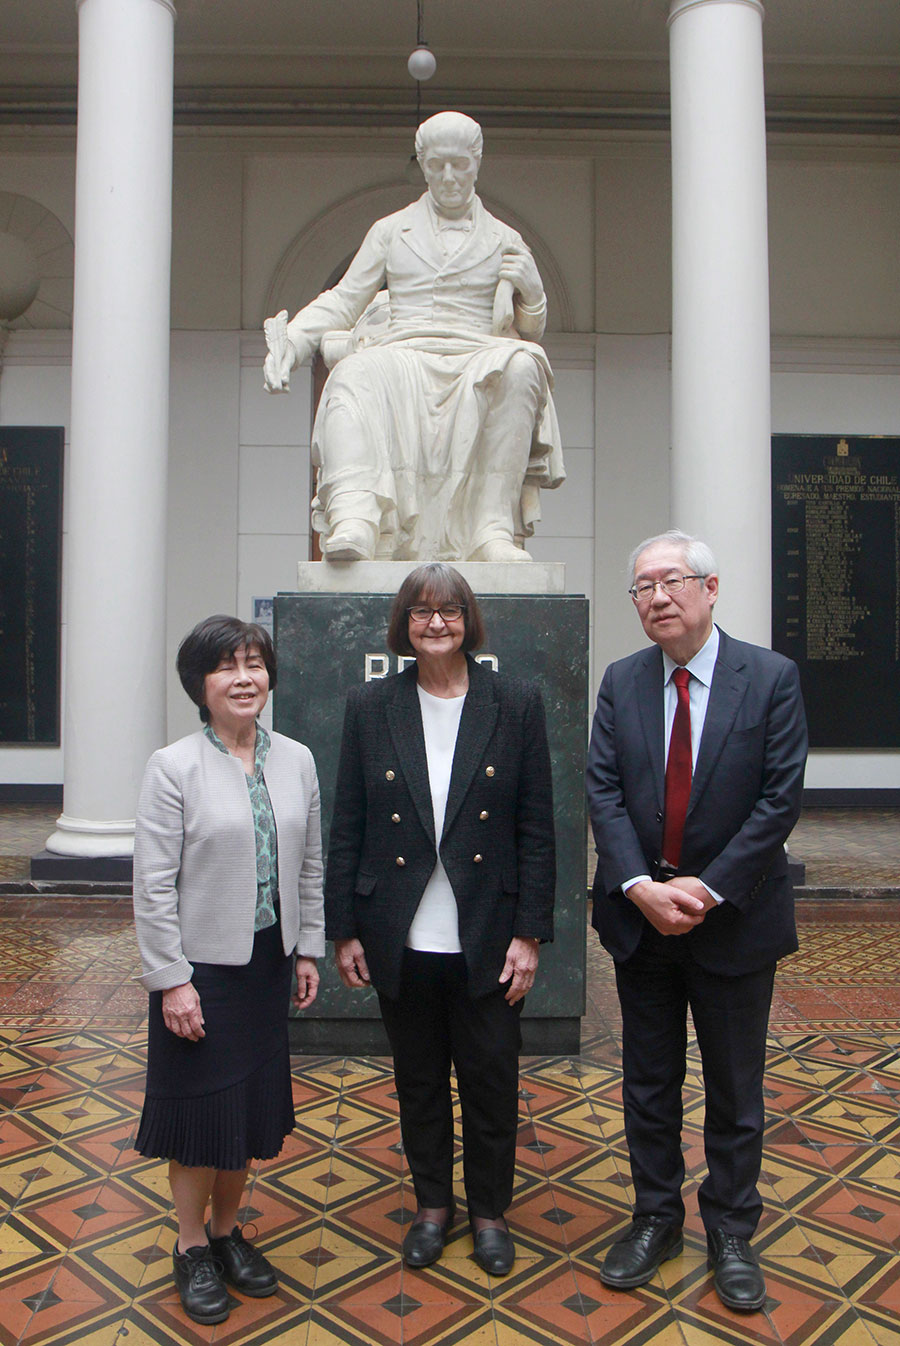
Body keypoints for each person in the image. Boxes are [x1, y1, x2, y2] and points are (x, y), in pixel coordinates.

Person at [585, 530, 807, 1313]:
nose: (657, 598)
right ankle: (654, 1217)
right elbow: (603, 793)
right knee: (647, 1083)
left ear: (711, 590)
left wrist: (706, 892)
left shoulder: (771, 678)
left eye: (671, 581)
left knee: (735, 1087)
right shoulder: (622, 682)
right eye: (642, 587)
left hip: (734, 922)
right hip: (642, 921)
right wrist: (641, 885)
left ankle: (733, 1230)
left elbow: (779, 800)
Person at [325, 563, 555, 1274]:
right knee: (418, 1080)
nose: (435, 623)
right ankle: (432, 1207)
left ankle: (488, 1214)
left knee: (490, 1081)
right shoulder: (371, 706)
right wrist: (344, 929)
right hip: (399, 931)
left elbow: (537, 828)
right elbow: (349, 826)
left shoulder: (515, 702)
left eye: (450, 610)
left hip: (486, 933)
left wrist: (529, 933)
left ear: (468, 620)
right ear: (404, 624)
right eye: (421, 612)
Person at [132, 616, 324, 1325]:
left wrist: (307, 947)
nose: (244, 678)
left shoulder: (296, 759)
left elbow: (310, 864)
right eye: (226, 667)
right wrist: (171, 980)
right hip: (200, 972)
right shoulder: (173, 766)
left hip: (267, 966)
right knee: (200, 1117)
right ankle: (190, 1248)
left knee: (245, 1115)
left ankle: (227, 1232)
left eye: (254, 664)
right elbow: (152, 886)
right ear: (200, 685)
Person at [263, 110, 564, 563]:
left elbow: (528, 327)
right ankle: (356, 517)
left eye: (459, 164)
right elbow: (346, 299)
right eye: (437, 165)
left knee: (523, 364)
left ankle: (491, 529)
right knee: (353, 373)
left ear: (476, 163)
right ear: (422, 165)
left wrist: (535, 290)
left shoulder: (505, 238)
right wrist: (295, 341)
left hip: (475, 350)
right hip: (404, 348)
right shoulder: (389, 231)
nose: (448, 177)